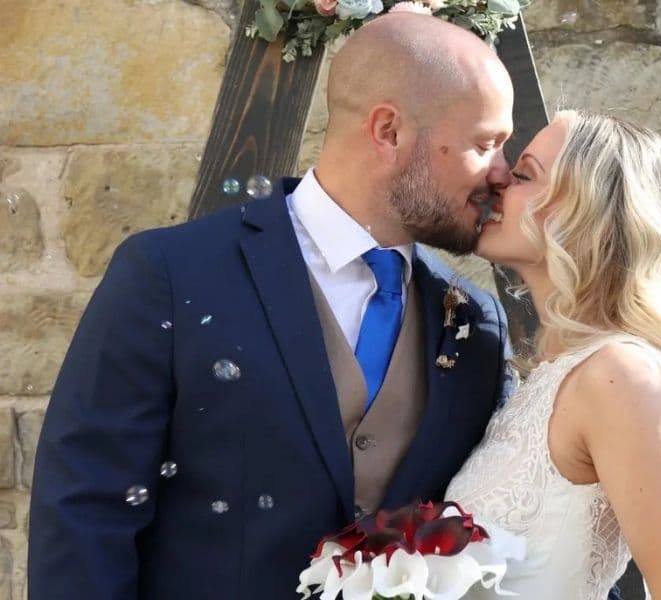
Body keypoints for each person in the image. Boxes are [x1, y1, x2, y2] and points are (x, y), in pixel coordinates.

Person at [28, 15, 517, 599]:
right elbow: (85, 513)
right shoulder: (170, 273)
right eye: (484, 143)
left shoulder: (473, 322)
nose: (501, 173)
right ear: (388, 131)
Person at [447, 110, 661, 599]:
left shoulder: (619, 376)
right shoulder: (553, 375)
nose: (497, 184)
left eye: (524, 175)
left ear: (585, 214)